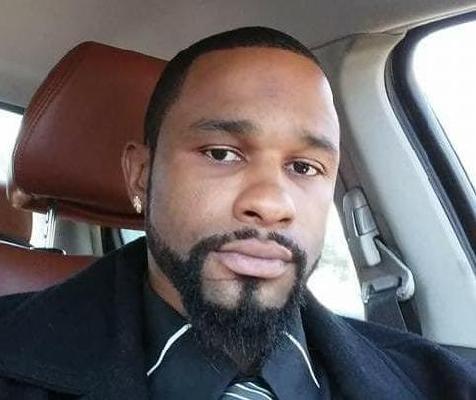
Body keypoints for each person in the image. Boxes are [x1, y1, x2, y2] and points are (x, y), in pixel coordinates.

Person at [0, 27, 475, 400]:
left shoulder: (445, 383)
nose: (271, 204)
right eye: (221, 154)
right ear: (141, 176)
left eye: (304, 167)